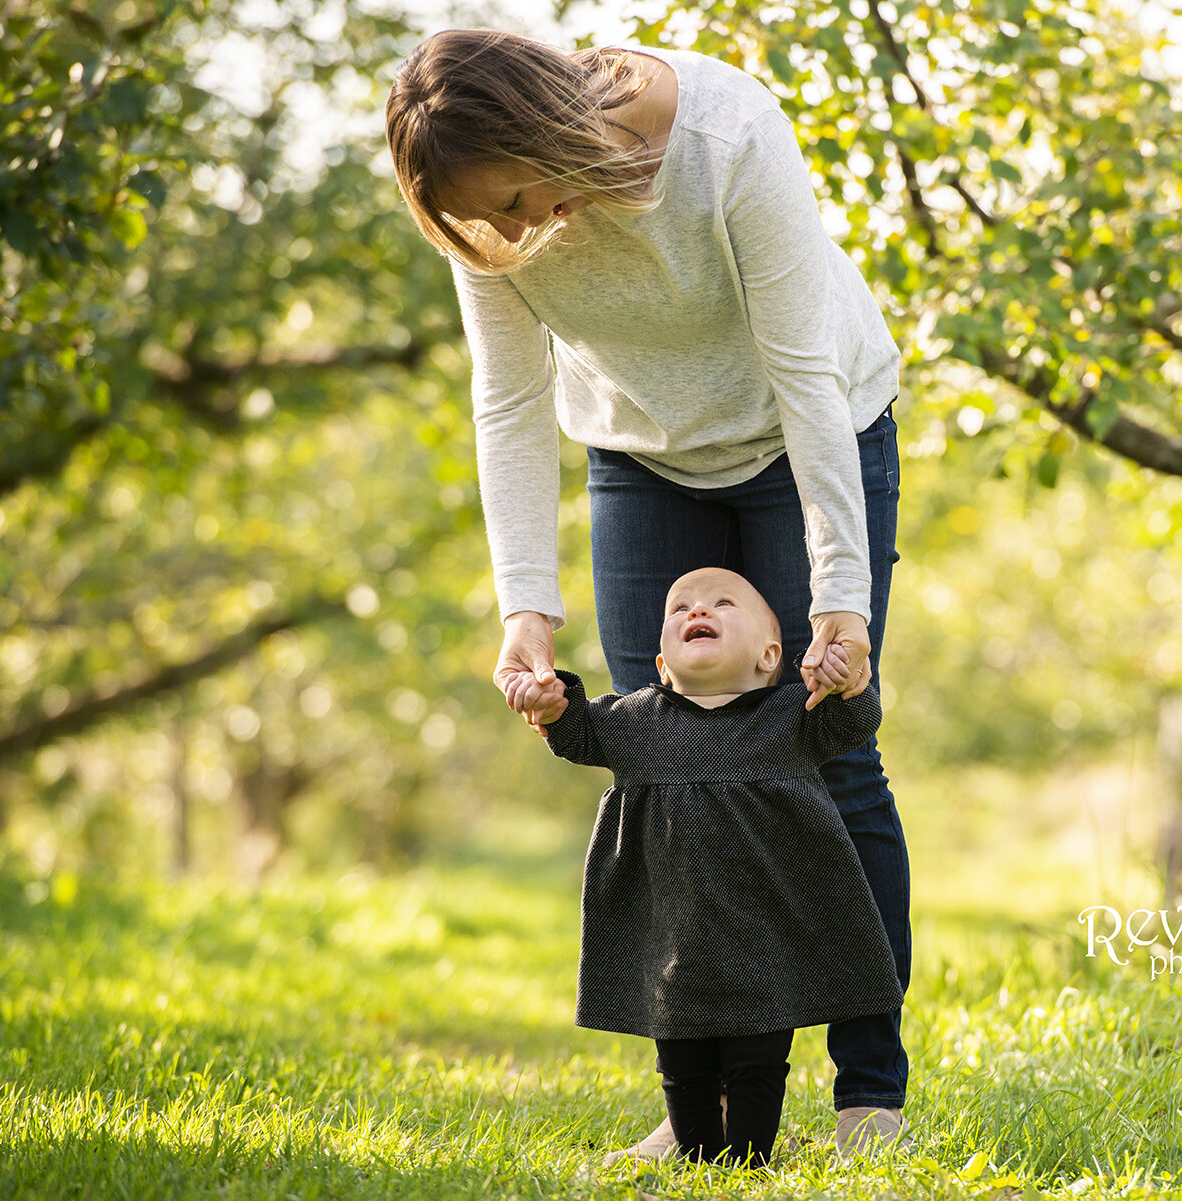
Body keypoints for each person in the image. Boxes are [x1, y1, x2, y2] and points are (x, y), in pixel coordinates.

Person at [384, 29, 912, 1158]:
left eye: (522, 195)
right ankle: (703, 1112)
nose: (517, 232)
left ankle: (869, 1093)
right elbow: (510, 403)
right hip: (640, 451)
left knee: (829, 750)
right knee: (670, 769)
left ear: (546, 127)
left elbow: (807, 376)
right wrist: (525, 602)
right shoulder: (476, 204)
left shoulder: (726, 135)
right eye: (492, 219)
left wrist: (841, 595)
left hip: (804, 429)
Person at [526, 567, 903, 1169]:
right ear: (661, 664)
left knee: (759, 1061)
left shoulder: (790, 715)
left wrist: (850, 685)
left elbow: (853, 726)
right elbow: (577, 733)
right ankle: (697, 1152)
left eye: (722, 603)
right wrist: (552, 702)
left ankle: (751, 1158)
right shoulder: (635, 720)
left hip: (769, 935)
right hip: (671, 934)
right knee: (682, 1063)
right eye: (679, 608)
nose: (696, 610)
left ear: (770, 655)